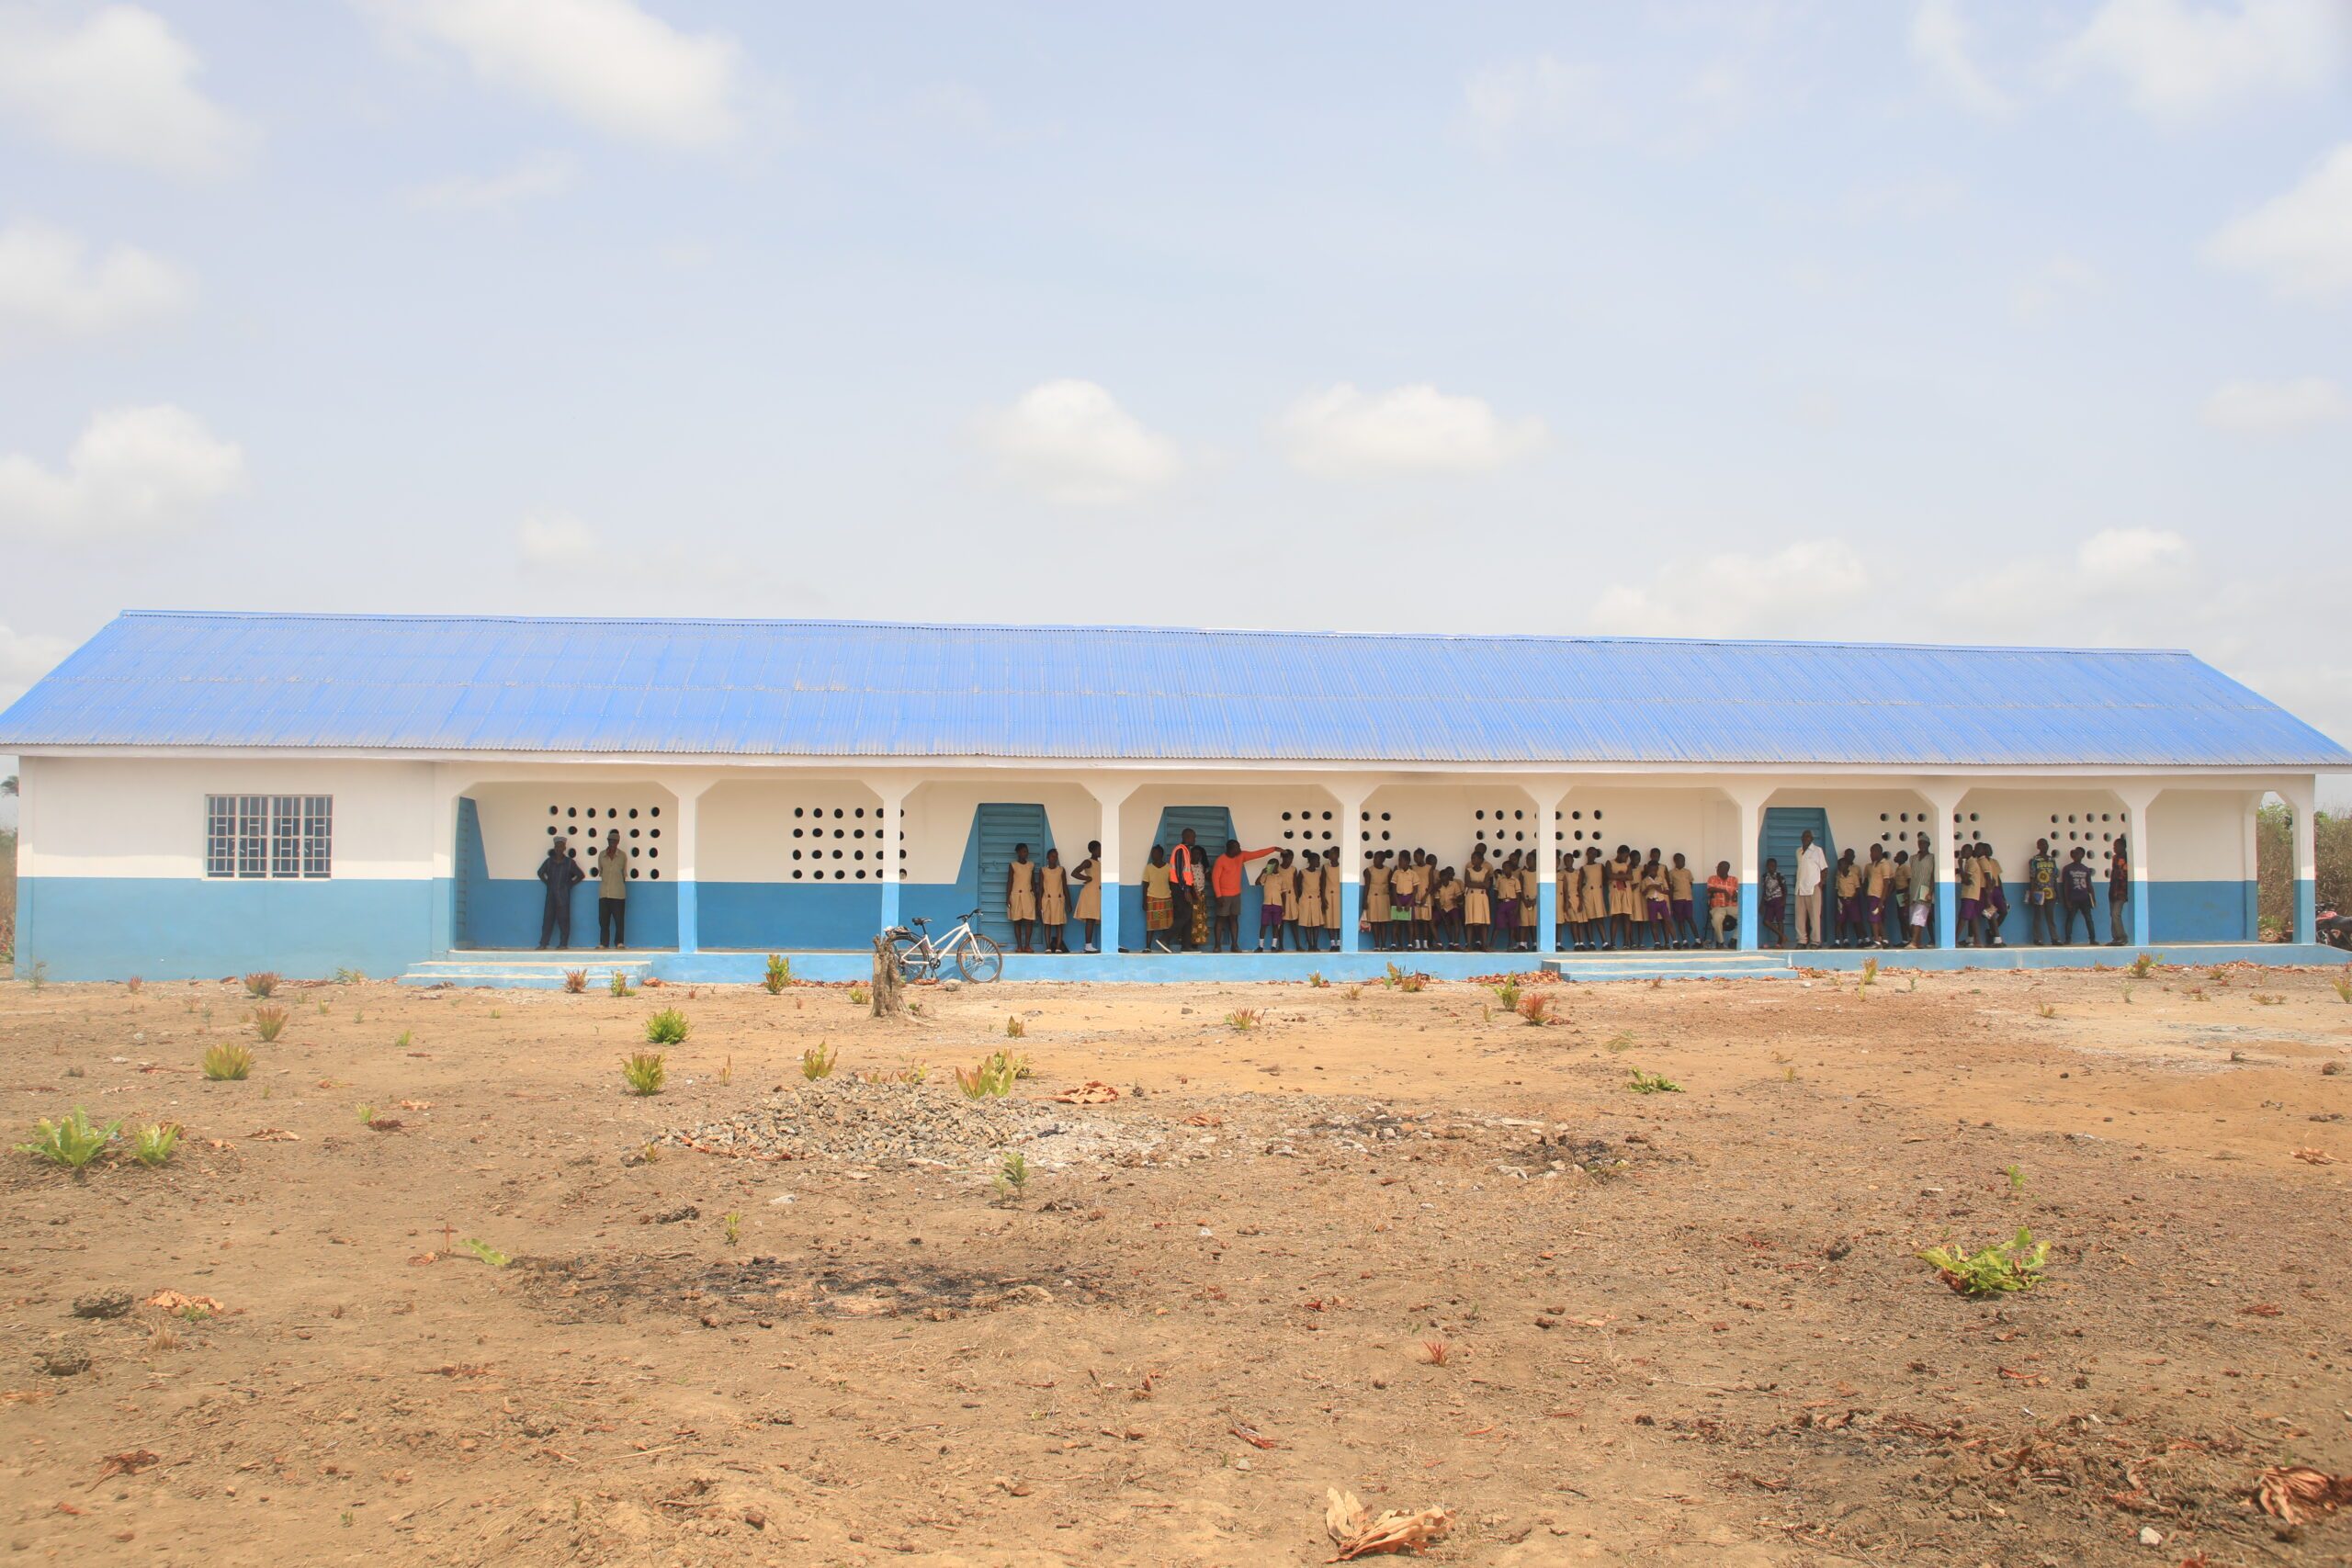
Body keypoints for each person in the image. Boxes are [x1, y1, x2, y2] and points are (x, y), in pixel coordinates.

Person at [1211, 838, 1280, 953]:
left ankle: (1234, 945)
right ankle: (1217, 946)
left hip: (1236, 894)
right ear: (1231, 849)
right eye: (1237, 847)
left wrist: (1273, 849)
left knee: (1234, 919)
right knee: (1220, 919)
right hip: (1223, 895)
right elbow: (1215, 878)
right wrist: (1218, 896)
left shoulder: (1241, 856)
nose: (1240, 849)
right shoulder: (1221, 860)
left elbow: (1257, 854)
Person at [537, 834, 583, 950]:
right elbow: (540, 872)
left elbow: (580, 875)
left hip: (563, 897)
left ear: (564, 848)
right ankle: (543, 944)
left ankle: (563, 944)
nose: (559, 849)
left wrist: (570, 885)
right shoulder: (549, 862)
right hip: (551, 897)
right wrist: (547, 882)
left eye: (561, 846)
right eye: (557, 846)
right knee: (548, 920)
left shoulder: (569, 862)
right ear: (554, 848)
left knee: (564, 921)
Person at [1170, 829, 1208, 952]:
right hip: (1180, 889)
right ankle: (1164, 939)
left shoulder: (1186, 851)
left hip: (1185, 889)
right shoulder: (1181, 850)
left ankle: (1186, 946)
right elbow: (1181, 872)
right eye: (1193, 837)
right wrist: (1186, 890)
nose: (1194, 839)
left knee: (1188, 917)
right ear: (1186, 836)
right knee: (1185, 915)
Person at [1793, 830, 1828, 951]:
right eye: (1804, 836)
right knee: (1800, 917)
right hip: (1800, 888)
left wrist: (1821, 883)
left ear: (1812, 839)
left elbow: (1824, 869)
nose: (1806, 838)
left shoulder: (1817, 851)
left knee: (1814, 916)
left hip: (1813, 887)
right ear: (1801, 838)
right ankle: (1801, 941)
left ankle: (1815, 941)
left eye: (1808, 837)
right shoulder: (1798, 851)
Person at [595, 828, 629, 949]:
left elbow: (623, 875)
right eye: (611, 840)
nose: (613, 843)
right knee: (603, 921)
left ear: (618, 842)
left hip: (618, 893)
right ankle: (603, 943)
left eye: (615, 841)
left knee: (619, 920)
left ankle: (619, 943)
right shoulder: (601, 855)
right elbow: (601, 872)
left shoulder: (622, 856)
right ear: (607, 840)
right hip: (604, 893)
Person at [1005, 843, 1039, 954]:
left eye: (1027, 851)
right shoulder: (1013, 865)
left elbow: (1033, 882)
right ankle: (1019, 946)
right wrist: (1007, 897)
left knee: (1029, 921)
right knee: (1017, 922)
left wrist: (1036, 897)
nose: (1026, 853)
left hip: (1028, 895)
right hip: (1016, 895)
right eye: (1024, 851)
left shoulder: (1031, 865)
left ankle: (1027, 945)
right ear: (1018, 852)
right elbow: (1010, 882)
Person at [2059, 847, 2097, 944]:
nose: (2076, 855)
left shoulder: (2086, 869)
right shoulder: (2067, 869)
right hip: (2072, 898)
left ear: (2083, 855)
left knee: (2089, 919)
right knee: (2070, 919)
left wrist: (2093, 898)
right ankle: (2068, 939)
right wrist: (2066, 900)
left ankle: (2092, 939)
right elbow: (2065, 885)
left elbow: (2089, 885)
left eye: (2079, 853)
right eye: (2075, 853)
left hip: (2085, 898)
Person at [2025, 840, 2060, 946]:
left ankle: (2055, 939)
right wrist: (2031, 893)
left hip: (2051, 892)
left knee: (2051, 917)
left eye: (2046, 844)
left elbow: (2055, 877)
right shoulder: (2035, 860)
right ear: (2038, 846)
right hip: (2039, 892)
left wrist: (2057, 892)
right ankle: (2038, 938)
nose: (2045, 846)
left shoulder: (2052, 860)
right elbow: (2032, 877)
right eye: (2043, 844)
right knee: (2038, 916)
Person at [1255, 851, 1290, 953]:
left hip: (1278, 905)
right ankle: (1260, 946)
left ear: (1276, 866)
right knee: (1264, 925)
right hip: (1266, 904)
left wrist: (1284, 907)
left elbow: (1284, 894)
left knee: (1276, 925)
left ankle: (1273, 946)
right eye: (1269, 865)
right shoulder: (1266, 876)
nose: (1270, 867)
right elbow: (1257, 883)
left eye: (1272, 865)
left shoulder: (1281, 878)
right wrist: (1262, 872)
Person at [1142, 843, 1175, 951]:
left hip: (1166, 898)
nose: (1153, 855)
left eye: (1155, 853)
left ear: (1161, 854)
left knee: (1166, 925)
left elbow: (1172, 884)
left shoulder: (1169, 868)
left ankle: (1166, 946)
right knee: (1151, 925)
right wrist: (1144, 901)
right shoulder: (1149, 868)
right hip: (1152, 898)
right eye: (1152, 853)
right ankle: (1148, 947)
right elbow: (1145, 885)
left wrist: (1174, 899)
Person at [1072, 840, 1103, 953]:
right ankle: (1088, 945)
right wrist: (1087, 878)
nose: (1101, 851)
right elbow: (1074, 872)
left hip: (1097, 893)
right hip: (1090, 893)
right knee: (1090, 918)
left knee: (1094, 918)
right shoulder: (1088, 862)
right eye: (1099, 849)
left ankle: (1091, 945)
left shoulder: (1099, 863)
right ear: (1093, 850)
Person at [1977, 840, 2007, 948]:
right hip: (1987, 890)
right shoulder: (1981, 861)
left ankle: (1991, 932)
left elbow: (1998, 877)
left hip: (1997, 890)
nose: (1990, 851)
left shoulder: (1994, 862)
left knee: (2004, 911)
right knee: (1991, 913)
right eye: (1988, 849)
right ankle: (1997, 938)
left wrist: (2003, 894)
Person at [1039, 848, 1069, 954]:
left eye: (1056, 856)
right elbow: (1041, 888)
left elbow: (1065, 886)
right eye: (1052, 856)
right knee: (1047, 924)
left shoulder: (1061, 870)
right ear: (1048, 858)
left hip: (1059, 900)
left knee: (1059, 924)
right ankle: (1048, 947)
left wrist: (1069, 903)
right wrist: (1039, 904)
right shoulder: (1043, 870)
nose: (1054, 858)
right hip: (1047, 900)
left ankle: (1058, 947)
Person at [1295, 850, 1327, 951]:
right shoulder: (1302, 872)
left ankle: (1315, 945)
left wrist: (1322, 900)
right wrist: (1300, 897)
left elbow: (1322, 887)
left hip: (1317, 900)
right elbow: (1298, 886)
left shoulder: (1319, 873)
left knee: (1316, 924)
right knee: (1307, 924)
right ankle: (1310, 945)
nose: (1319, 863)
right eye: (1317, 860)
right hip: (1305, 900)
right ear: (1311, 861)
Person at [1463, 846, 1493, 953]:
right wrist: (1480, 884)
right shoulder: (1468, 870)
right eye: (1472, 858)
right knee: (1470, 922)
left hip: (1482, 897)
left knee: (1483, 922)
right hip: (1471, 897)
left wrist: (1475, 884)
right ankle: (1469, 945)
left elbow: (1487, 885)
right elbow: (1467, 883)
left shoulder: (1486, 871)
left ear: (1481, 860)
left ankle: (1484, 945)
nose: (1473, 860)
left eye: (1475, 858)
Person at [1668, 852, 1700, 950]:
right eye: (1681, 860)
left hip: (1688, 899)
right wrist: (1671, 901)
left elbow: (1691, 883)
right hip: (1677, 899)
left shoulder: (1688, 872)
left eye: (1684, 860)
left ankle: (1698, 940)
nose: (1683, 862)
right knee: (1680, 920)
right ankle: (1685, 941)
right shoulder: (1672, 873)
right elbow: (1671, 887)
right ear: (1675, 861)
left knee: (1690, 918)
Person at [1639, 850, 1670, 949]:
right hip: (1652, 899)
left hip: (1662, 898)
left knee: (1665, 921)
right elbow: (1644, 881)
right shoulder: (1646, 867)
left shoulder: (1663, 867)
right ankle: (1657, 942)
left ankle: (1667, 943)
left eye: (1657, 856)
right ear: (1650, 856)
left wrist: (1662, 890)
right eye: (1654, 855)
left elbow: (1667, 885)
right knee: (1654, 922)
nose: (1655, 857)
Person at [1909, 833, 1935, 949]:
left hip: (1925, 890)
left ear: (1928, 844)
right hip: (1913, 890)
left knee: (1918, 916)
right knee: (1913, 916)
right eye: (1919, 843)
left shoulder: (1932, 858)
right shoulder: (1913, 858)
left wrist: (1930, 892)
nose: (1921, 845)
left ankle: (1914, 942)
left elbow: (1934, 876)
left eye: (1924, 843)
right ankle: (1918, 942)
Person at [1579, 848, 1608, 952]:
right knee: (1589, 920)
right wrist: (1581, 898)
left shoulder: (1600, 866)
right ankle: (1592, 942)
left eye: (1595, 854)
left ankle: (1605, 942)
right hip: (1588, 894)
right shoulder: (1584, 868)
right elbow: (1580, 884)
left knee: (1600, 919)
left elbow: (1605, 880)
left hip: (1598, 894)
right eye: (1591, 853)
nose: (1592, 855)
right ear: (1587, 854)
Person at [1832, 848, 1861, 948]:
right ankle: (1839, 941)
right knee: (1840, 921)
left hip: (1852, 900)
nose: (1839, 867)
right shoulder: (1839, 875)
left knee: (1856, 920)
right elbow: (1836, 888)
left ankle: (1861, 940)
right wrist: (1838, 901)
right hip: (1842, 900)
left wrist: (1852, 899)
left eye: (1841, 865)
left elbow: (1858, 888)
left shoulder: (1855, 873)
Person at [1706, 860, 1739, 948]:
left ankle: (1734, 939)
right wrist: (1724, 891)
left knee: (1746, 917)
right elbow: (1710, 889)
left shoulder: (1734, 879)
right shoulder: (1712, 878)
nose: (1717, 870)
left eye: (1719, 868)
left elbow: (1737, 891)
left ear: (1726, 870)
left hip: (1732, 906)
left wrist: (1736, 894)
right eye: (1717, 867)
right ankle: (1720, 942)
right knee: (1716, 919)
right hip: (1718, 907)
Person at [1862, 845, 1889, 950]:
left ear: (1878, 852)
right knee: (1878, 920)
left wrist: (1882, 901)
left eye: (1872, 852)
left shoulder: (1885, 865)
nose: (1870, 854)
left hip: (1878, 896)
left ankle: (1877, 942)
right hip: (1872, 896)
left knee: (1873, 920)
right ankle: (1885, 940)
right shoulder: (1873, 865)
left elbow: (1887, 883)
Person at [1364, 852, 1393, 951]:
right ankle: (1377, 944)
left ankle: (1384, 944)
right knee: (1375, 922)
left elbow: (1391, 886)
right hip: (1372, 898)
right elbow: (1367, 886)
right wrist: (1364, 900)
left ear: (1383, 860)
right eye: (1374, 858)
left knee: (1383, 922)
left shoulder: (1388, 871)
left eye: (1377, 858)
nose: (1375, 860)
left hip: (1384, 898)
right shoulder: (1369, 871)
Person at [1956, 843, 1983, 947]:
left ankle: (1954, 939)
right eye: (1962, 851)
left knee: (1963, 917)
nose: (1962, 853)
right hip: (1971, 894)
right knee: (1973, 917)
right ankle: (1978, 941)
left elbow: (1966, 880)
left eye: (1965, 851)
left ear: (1970, 852)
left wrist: (1960, 866)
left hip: (1970, 894)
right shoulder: (1968, 862)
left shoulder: (1972, 863)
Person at [2107, 836, 2131, 945]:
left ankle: (2122, 937)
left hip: (2121, 891)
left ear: (2123, 846)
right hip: (2113, 890)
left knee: (2116, 913)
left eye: (2116, 846)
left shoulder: (2128, 858)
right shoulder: (2115, 858)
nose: (2114, 848)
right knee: (2112, 914)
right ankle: (2115, 938)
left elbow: (2124, 875)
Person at [1886, 851, 1912, 948]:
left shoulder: (1905, 868)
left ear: (1903, 858)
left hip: (1904, 893)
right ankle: (1905, 940)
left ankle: (1913, 938)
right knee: (1901, 918)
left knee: (1904, 917)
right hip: (1899, 894)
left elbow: (1910, 882)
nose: (1895, 857)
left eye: (1898, 856)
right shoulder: (1897, 869)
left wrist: (1907, 895)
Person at [1760, 857, 1788, 948]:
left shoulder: (1779, 876)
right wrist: (1762, 904)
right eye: (1770, 866)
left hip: (1778, 900)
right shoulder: (1764, 877)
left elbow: (1784, 889)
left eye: (1774, 866)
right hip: (1769, 901)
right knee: (1766, 921)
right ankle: (1783, 936)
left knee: (1780, 920)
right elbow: (1764, 890)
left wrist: (1784, 900)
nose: (1772, 867)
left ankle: (1779, 943)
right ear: (1767, 866)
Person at [1322, 851, 1343, 949]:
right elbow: (1323, 883)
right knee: (1329, 919)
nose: (1330, 855)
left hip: (1339, 895)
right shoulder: (1325, 867)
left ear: (1338, 855)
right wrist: (1323, 897)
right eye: (1330, 853)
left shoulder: (1342, 866)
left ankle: (1339, 942)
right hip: (1328, 895)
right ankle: (1332, 943)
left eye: (1332, 853)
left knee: (1338, 919)